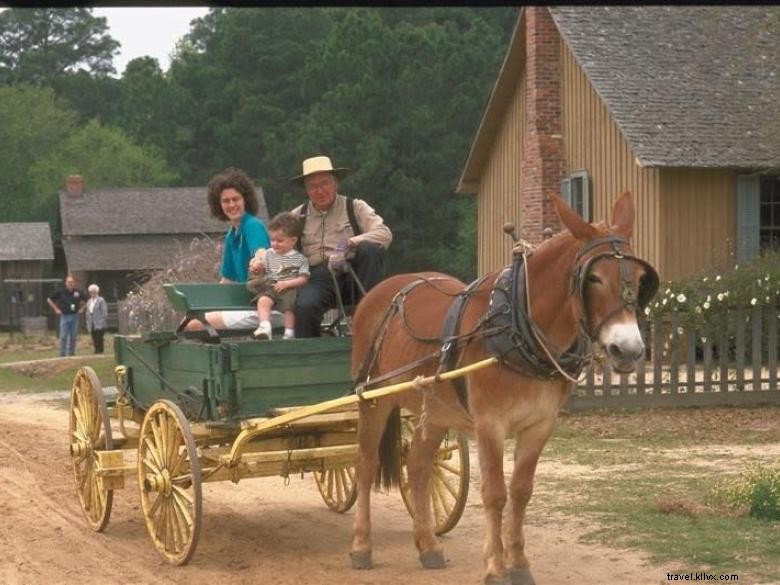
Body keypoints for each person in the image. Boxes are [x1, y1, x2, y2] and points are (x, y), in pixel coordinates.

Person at [289, 155, 392, 337]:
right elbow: (276, 244)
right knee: (305, 307)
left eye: (324, 184)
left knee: (370, 250)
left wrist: (348, 243)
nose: (319, 191)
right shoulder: (297, 216)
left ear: (335, 183)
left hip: (354, 277)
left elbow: (384, 234)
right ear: (306, 190)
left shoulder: (356, 207)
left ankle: (367, 323)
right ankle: (310, 358)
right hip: (318, 279)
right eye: (313, 186)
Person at [185, 167, 271, 332]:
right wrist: (202, 305)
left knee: (194, 325)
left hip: (262, 306)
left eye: (235, 199)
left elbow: (261, 252)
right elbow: (227, 281)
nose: (231, 205)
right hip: (242, 304)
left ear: (245, 200)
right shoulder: (231, 235)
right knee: (189, 321)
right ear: (219, 205)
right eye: (226, 201)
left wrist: (259, 259)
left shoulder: (253, 225)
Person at [247, 212, 310, 340]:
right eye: (272, 240)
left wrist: (287, 283)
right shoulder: (269, 254)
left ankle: (289, 333)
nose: (275, 244)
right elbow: (260, 267)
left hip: (288, 290)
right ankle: (265, 327)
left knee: (289, 309)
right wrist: (257, 268)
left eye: (280, 241)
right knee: (263, 301)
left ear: (293, 240)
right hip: (271, 287)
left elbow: (304, 278)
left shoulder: (299, 259)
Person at [47, 274, 86, 357]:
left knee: (73, 336)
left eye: (71, 282)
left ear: (74, 283)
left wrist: (82, 309)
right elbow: (49, 300)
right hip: (64, 316)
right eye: (68, 282)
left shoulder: (78, 292)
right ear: (66, 283)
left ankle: (72, 353)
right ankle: (62, 353)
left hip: (75, 316)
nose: (70, 283)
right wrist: (56, 309)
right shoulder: (61, 292)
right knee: (63, 336)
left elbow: (88, 300)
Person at [85, 284, 108, 354]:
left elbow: (104, 312)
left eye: (94, 292)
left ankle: (99, 350)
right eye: (91, 292)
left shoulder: (101, 300)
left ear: (97, 292)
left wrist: (102, 321)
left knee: (99, 337)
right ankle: (96, 349)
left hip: (99, 321)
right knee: (94, 336)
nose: (93, 293)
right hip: (91, 322)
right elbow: (88, 312)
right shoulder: (89, 301)